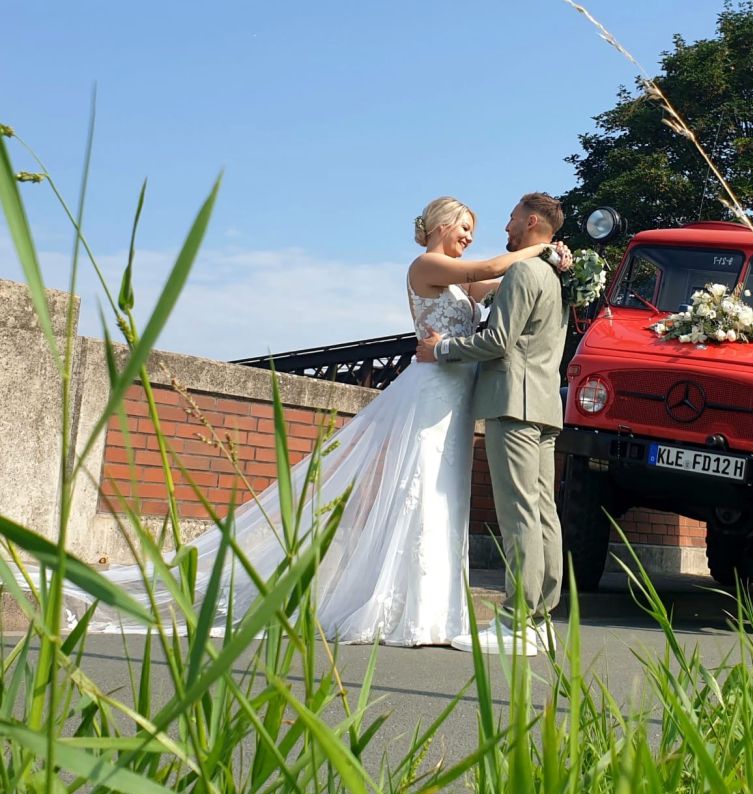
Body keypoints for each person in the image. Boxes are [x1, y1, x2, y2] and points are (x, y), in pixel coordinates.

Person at [55, 197, 548, 645]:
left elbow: (505, 281)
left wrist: (552, 262)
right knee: (419, 490)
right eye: (464, 227)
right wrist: (541, 248)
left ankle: (437, 612)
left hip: (456, 401)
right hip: (432, 390)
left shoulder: (460, 280)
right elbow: (494, 266)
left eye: (471, 230)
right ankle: (407, 611)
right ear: (441, 225)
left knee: (445, 496)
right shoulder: (427, 265)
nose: (469, 236)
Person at [415, 192, 569, 656]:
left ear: (531, 221)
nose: (506, 226)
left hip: (513, 403)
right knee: (543, 512)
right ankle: (540, 617)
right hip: (545, 405)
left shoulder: (525, 271)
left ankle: (515, 620)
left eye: (512, 218)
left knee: (519, 513)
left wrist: (442, 349)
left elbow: (499, 340)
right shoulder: (555, 276)